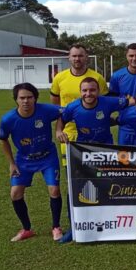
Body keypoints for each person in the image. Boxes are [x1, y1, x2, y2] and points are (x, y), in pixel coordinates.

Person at [49, 43, 108, 243]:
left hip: (97, 139)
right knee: (73, 183)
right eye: (74, 56)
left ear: (87, 58)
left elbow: (105, 106)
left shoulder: (97, 78)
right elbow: (56, 108)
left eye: (81, 56)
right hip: (70, 139)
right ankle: (74, 226)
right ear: (69, 57)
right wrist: (59, 130)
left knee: (102, 180)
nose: (77, 59)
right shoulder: (59, 78)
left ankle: (106, 222)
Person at [0, 83, 64, 242]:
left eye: (29, 97)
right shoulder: (8, 119)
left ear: (35, 98)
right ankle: (27, 229)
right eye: (22, 98)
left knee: (54, 190)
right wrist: (12, 163)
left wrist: (58, 128)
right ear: (16, 100)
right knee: (15, 193)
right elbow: (3, 140)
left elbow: (66, 112)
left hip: (48, 157)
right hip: (24, 159)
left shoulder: (46, 110)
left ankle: (56, 227)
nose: (26, 101)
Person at [56, 78, 129, 145]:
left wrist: (126, 117)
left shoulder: (108, 102)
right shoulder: (72, 107)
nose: (88, 94)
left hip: (106, 147)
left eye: (92, 90)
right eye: (84, 90)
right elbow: (62, 119)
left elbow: (130, 101)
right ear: (80, 92)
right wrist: (59, 131)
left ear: (98, 91)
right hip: (83, 148)